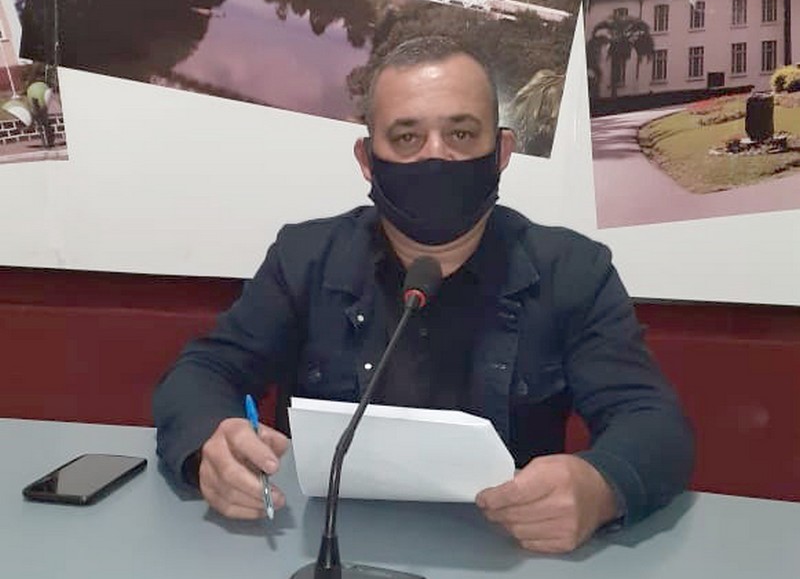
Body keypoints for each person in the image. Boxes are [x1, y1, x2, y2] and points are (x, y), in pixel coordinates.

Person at [153, 35, 694, 553]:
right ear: (367, 159)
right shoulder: (305, 258)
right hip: (321, 546)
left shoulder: (572, 271)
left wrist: (601, 486)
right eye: (407, 138)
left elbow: (652, 421)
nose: (437, 158)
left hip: (507, 550)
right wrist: (211, 444)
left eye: (462, 134)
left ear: (501, 152)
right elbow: (203, 372)